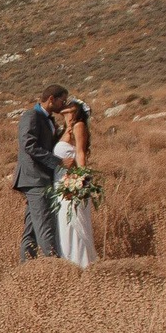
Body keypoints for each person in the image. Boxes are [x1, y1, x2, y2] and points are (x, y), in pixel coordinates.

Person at [14, 85, 68, 260]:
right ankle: (55, 268)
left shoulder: (48, 119)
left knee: (31, 229)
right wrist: (57, 162)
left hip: (39, 178)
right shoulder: (31, 116)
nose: (64, 104)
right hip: (34, 178)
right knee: (45, 225)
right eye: (62, 100)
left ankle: (26, 269)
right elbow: (29, 145)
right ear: (51, 99)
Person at [54, 99, 97, 269]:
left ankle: (80, 264)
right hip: (58, 181)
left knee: (72, 223)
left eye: (70, 104)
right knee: (63, 224)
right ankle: (68, 264)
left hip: (70, 182)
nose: (65, 104)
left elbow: (80, 154)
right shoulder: (64, 130)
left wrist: (81, 179)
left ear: (76, 109)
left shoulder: (79, 126)